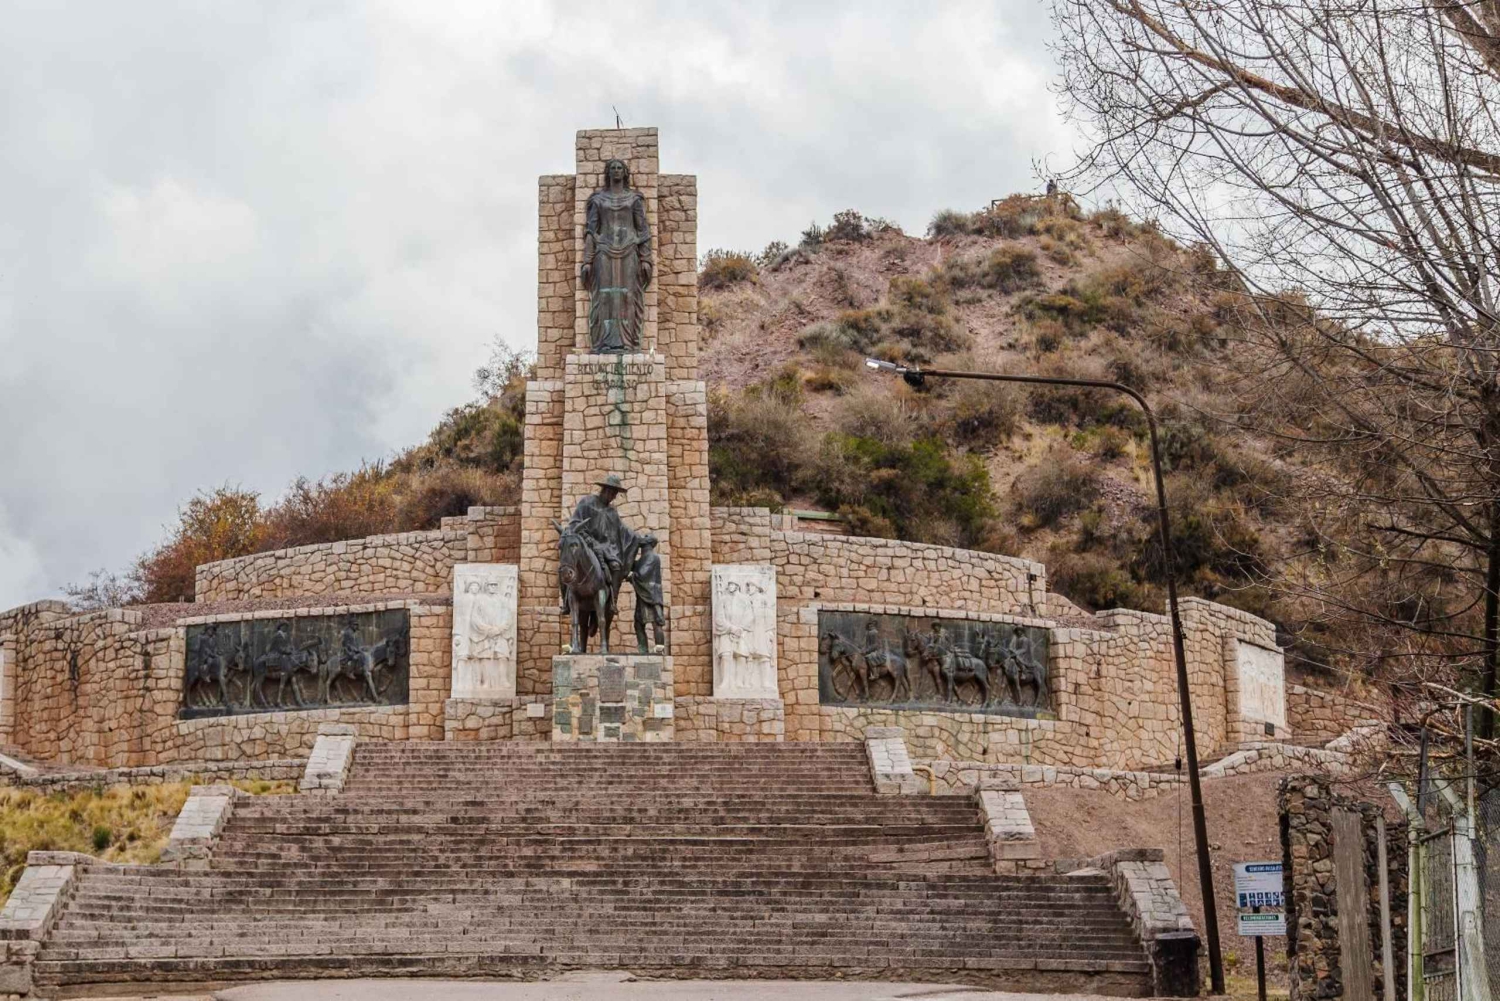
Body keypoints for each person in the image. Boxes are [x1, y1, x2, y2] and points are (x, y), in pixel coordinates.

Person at [558, 474, 637, 615]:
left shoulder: (612, 512)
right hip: (585, 545)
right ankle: (566, 602)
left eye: (615, 494)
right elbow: (575, 524)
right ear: (605, 490)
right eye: (612, 492)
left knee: (616, 566)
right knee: (566, 564)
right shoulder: (586, 503)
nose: (613, 496)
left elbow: (622, 530)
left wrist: (637, 538)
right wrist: (588, 540)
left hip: (606, 548)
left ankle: (613, 601)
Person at [630, 533, 666, 654]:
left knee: (656, 622)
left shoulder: (652, 557)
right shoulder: (642, 559)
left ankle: (659, 649)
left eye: (645, 536)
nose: (642, 538)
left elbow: (642, 573)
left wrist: (632, 576)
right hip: (643, 595)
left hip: (651, 596)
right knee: (638, 624)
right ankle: (643, 650)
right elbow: (632, 566)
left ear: (649, 542)